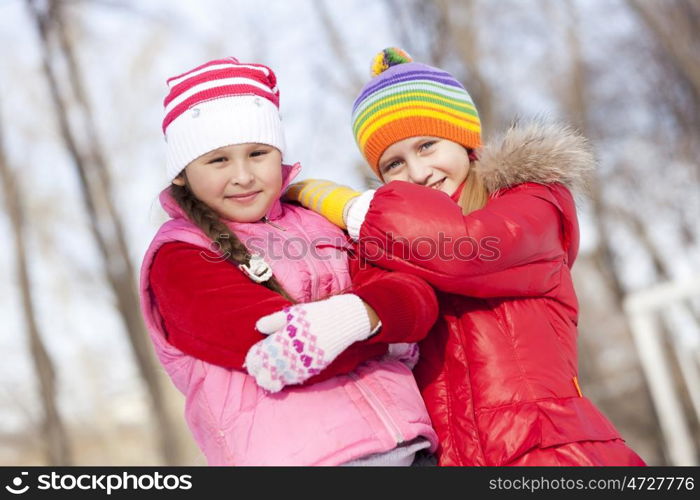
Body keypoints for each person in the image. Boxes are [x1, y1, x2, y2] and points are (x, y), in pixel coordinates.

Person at [286, 47, 647, 466]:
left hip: (551, 455)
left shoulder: (533, 201)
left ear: (464, 139)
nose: (418, 173)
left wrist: (352, 209)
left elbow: (465, 251)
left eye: (427, 146)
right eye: (394, 165)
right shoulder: (394, 247)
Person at [138, 56, 439, 466]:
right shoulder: (179, 257)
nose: (243, 176)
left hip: (412, 447)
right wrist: (378, 320)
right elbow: (275, 345)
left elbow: (417, 295)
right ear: (181, 174)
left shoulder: (320, 221)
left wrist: (358, 319)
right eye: (218, 160)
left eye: (257, 153)